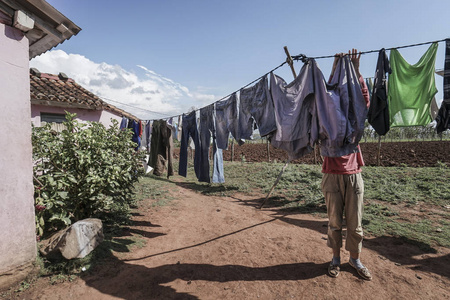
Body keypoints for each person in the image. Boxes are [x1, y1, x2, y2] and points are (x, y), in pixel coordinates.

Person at [323, 49, 372, 281]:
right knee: (334, 222)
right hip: (332, 173)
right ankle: (335, 259)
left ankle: (354, 259)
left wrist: (356, 71)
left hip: (353, 173)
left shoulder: (354, 113)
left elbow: (364, 101)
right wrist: (333, 70)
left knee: (355, 223)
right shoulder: (327, 110)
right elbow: (324, 97)